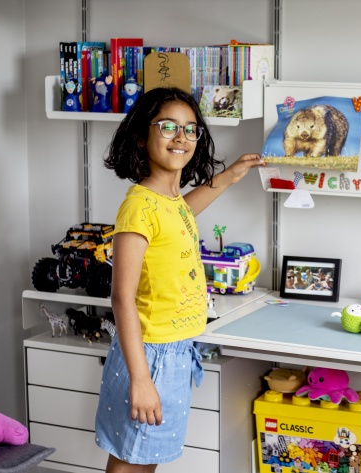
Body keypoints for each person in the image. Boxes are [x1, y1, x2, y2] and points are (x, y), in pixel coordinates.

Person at [94, 86, 265, 472]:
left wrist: (231, 176)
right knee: (131, 462)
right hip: (150, 355)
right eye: (168, 126)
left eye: (190, 129)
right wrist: (140, 379)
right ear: (142, 135)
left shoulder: (167, 203)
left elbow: (184, 211)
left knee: (146, 459)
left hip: (172, 353)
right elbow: (121, 298)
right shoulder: (139, 206)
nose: (181, 138)